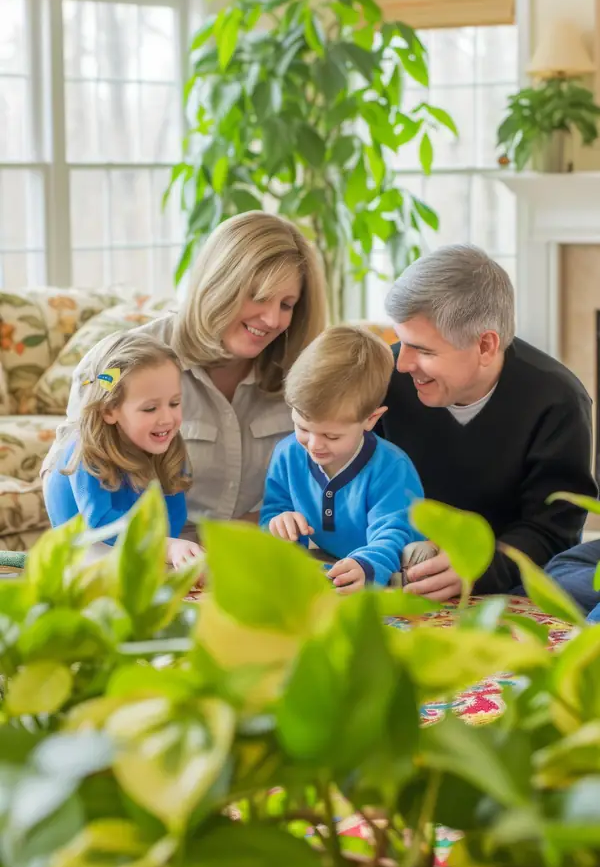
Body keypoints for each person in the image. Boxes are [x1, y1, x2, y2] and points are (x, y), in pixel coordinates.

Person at [43, 212, 328, 531]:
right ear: (220, 285)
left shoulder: (301, 375)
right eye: (258, 298)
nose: (273, 320)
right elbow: (66, 480)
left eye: (286, 305)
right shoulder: (120, 364)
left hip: (250, 557)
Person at [378, 244, 597, 601]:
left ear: (485, 346)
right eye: (400, 342)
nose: (403, 364)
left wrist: (480, 565)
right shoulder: (384, 377)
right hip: (394, 562)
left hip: (505, 588)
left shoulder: (559, 402)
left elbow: (553, 531)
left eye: (424, 350)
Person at [260, 325, 426, 593]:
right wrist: (279, 525)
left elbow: (393, 534)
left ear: (371, 419)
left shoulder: (391, 467)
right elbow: (273, 511)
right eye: (302, 428)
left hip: (398, 566)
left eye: (332, 436)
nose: (314, 445)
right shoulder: (288, 454)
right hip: (336, 562)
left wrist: (365, 565)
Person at [44, 334, 201, 566]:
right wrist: (167, 547)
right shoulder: (85, 451)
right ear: (109, 411)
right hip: (83, 557)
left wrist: (177, 553)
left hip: (136, 553)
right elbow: (101, 522)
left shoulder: (168, 447)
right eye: (150, 408)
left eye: (175, 403)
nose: (167, 418)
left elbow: (173, 515)